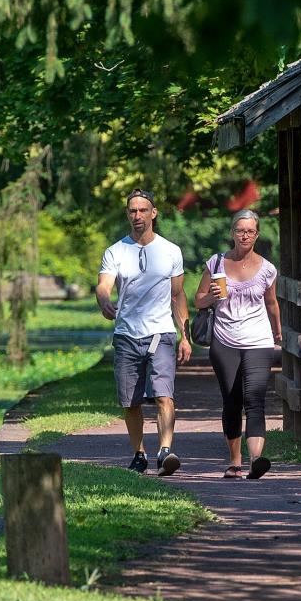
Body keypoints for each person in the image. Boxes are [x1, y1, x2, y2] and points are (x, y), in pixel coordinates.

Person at [96, 188, 192, 476]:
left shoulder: (170, 251)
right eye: (132, 211)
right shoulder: (115, 251)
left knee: (164, 395)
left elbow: (178, 295)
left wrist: (184, 335)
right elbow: (104, 284)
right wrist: (104, 300)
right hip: (126, 335)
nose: (137, 215)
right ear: (128, 214)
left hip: (161, 333)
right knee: (131, 401)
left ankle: (165, 451)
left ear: (154, 213)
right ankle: (139, 454)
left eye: (142, 210)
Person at [194, 209, 282, 480]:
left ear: (257, 234)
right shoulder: (216, 263)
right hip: (225, 340)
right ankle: (235, 461)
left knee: (255, 398)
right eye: (240, 230)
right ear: (232, 233)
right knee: (232, 400)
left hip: (258, 340)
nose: (245, 235)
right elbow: (198, 300)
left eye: (250, 231)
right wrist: (213, 296)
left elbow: (271, 303)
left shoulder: (267, 269)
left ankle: (257, 459)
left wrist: (278, 333)